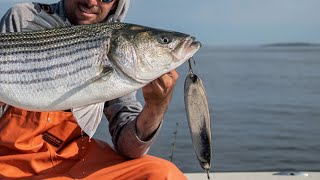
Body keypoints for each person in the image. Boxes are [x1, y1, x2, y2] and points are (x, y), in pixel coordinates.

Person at [0, 0, 186, 179]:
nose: (91, 2)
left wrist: (155, 107)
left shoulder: (123, 61)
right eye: (164, 40)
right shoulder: (25, 16)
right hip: (10, 162)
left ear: (117, 4)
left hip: (76, 162)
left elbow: (129, 149)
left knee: (163, 173)